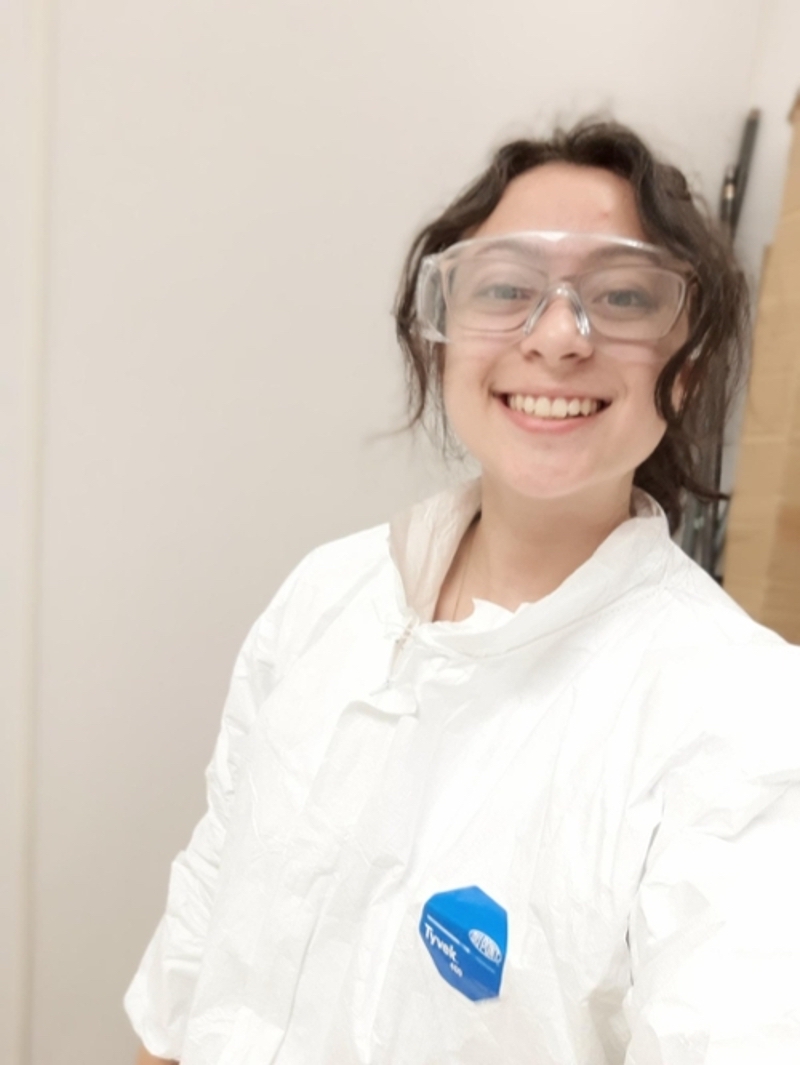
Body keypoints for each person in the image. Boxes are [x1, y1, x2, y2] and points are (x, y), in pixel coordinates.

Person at [128, 120, 800, 1065]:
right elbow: (200, 936)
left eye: (620, 296)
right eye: (508, 288)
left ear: (685, 370)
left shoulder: (746, 718)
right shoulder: (330, 594)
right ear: (439, 336)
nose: (559, 336)